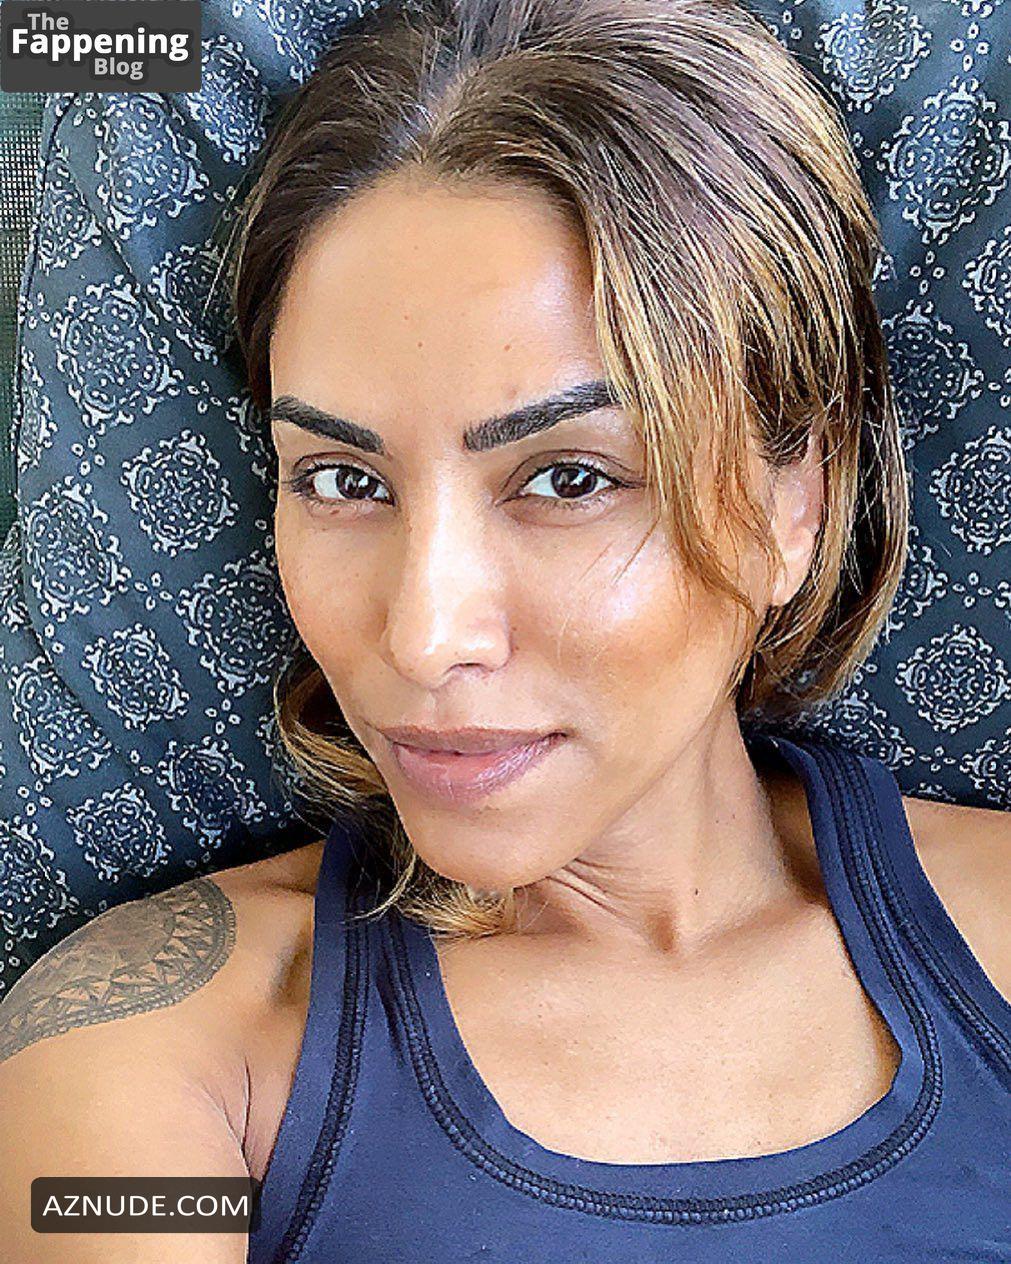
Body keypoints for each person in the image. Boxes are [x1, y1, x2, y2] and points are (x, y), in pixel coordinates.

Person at [1, 0, 1009, 1259]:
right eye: (343, 480)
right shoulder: (155, 1055)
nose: (423, 640)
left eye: (568, 478)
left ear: (792, 503)